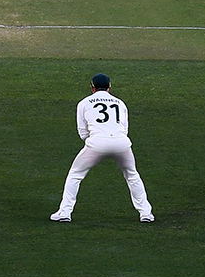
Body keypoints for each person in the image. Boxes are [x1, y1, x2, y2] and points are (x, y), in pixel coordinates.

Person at [50, 74, 154, 223]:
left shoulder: (84, 103)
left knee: (75, 174)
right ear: (109, 87)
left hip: (96, 143)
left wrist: (95, 146)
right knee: (132, 175)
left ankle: (65, 212)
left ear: (92, 88)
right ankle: (146, 213)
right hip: (121, 143)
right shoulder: (120, 103)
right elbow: (124, 129)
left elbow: (83, 132)